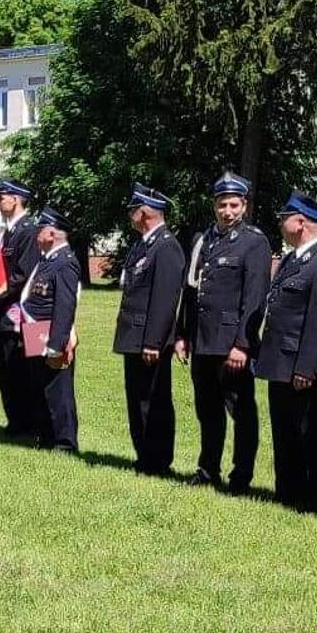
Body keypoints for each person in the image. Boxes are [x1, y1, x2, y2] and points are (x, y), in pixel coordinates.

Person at [176, 172, 272, 492]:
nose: (227, 211)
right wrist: (182, 334)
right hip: (203, 341)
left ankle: (241, 475)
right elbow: (190, 292)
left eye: (233, 205)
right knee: (208, 410)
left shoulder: (254, 242)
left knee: (241, 413)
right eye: (222, 205)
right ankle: (208, 469)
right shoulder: (204, 240)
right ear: (214, 206)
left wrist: (243, 345)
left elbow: (255, 297)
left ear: (244, 206)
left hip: (231, 344)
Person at [254, 191, 317, 512]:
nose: (280, 224)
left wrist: (307, 367)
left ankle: (315, 497)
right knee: (285, 429)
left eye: (284, 218)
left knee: (311, 431)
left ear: (301, 221)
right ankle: (288, 490)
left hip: (301, 363)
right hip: (279, 359)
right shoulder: (294, 259)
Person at [112, 184, 186, 476]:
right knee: (137, 398)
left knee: (153, 400)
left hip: (149, 339)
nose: (130, 215)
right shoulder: (144, 244)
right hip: (134, 335)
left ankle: (157, 460)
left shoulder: (166, 246)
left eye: (133, 210)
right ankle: (144, 456)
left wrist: (154, 341)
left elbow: (165, 299)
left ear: (144, 213)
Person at [0, 180, 44, 434]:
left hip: (21, 314)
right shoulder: (9, 231)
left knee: (22, 372)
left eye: (3, 196)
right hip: (4, 313)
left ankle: (27, 424)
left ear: (17, 199)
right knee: (7, 370)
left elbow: (21, 276)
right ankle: (15, 421)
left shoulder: (28, 231)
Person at [23, 208, 80, 452]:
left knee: (59, 389)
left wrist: (57, 344)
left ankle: (65, 442)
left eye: (41, 228)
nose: (37, 233)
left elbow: (65, 306)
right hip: (37, 328)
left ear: (53, 233)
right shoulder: (47, 261)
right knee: (40, 386)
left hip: (51, 332)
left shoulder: (65, 262)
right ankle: (45, 435)